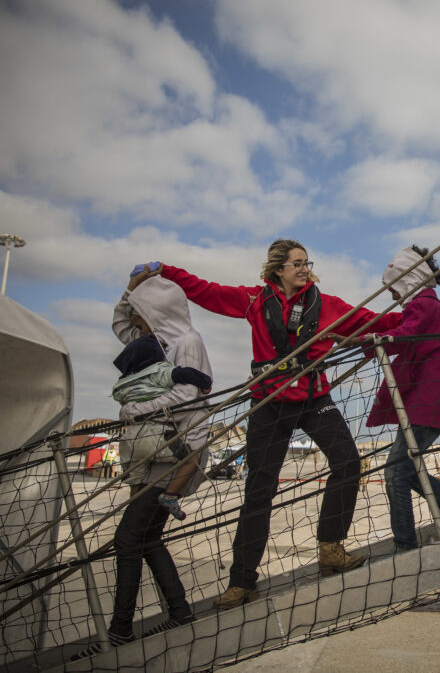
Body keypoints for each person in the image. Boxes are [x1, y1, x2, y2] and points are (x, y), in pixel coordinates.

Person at [145, 239, 403, 609]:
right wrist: (166, 270)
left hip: (314, 399)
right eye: (296, 263)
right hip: (268, 404)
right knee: (258, 492)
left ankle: (331, 548)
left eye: (306, 262)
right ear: (277, 270)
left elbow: (373, 321)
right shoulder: (254, 301)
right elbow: (207, 292)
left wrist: (419, 314)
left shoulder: (327, 305)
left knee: (348, 462)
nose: (304, 268)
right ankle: (242, 583)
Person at [73, 270, 213, 659]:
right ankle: (180, 612)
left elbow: (188, 393)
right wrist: (132, 289)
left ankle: (119, 632)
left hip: (179, 449)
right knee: (147, 537)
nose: (131, 320)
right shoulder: (150, 343)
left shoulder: (186, 341)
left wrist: (134, 410)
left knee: (128, 538)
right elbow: (120, 321)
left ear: (153, 312)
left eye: (139, 312)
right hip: (154, 450)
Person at [336, 246, 440, 550]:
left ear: (408, 280)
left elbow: (401, 335)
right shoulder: (433, 307)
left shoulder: (423, 306)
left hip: (427, 402)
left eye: (394, 288)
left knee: (394, 473)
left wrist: (357, 340)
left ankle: (405, 545)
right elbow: (407, 334)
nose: (393, 297)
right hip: (432, 401)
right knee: (406, 468)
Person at [111, 301, 214, 521]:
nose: (139, 333)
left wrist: (133, 411)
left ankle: (137, 505)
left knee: (135, 531)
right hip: (160, 441)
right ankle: (164, 499)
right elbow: (186, 380)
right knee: (139, 534)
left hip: (146, 439)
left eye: (140, 326)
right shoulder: (157, 361)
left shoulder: (185, 341)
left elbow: (184, 398)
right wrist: (204, 381)